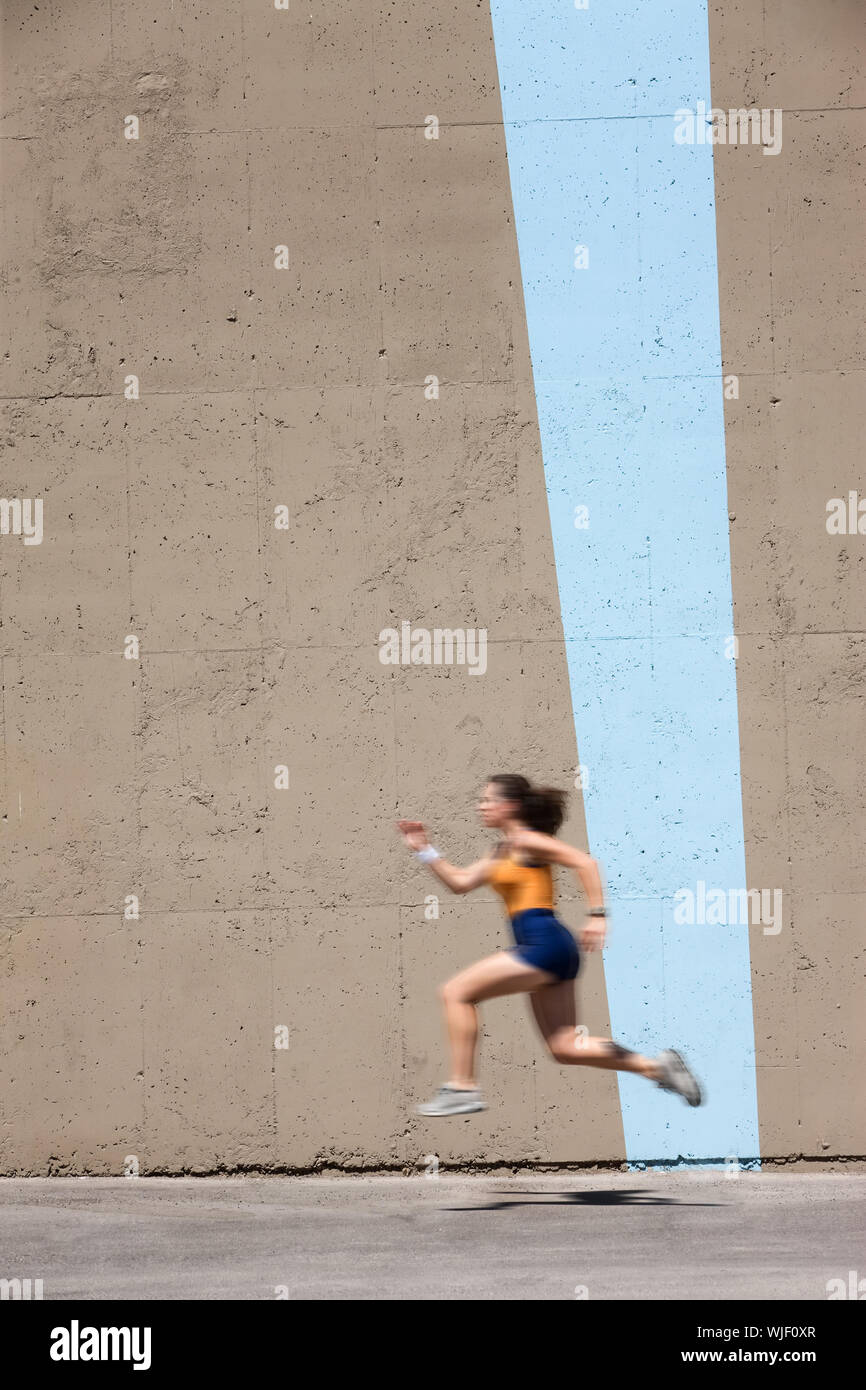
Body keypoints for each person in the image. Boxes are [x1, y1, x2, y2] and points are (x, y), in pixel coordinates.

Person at [397, 773, 703, 1116]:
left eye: (488, 800)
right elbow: (461, 883)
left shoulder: (528, 841)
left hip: (544, 943)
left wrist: (598, 915)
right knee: (566, 1047)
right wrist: (425, 850)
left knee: (456, 992)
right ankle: (657, 1068)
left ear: (509, 806)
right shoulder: (501, 851)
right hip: (552, 949)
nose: (480, 806)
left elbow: (584, 862)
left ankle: (462, 1088)